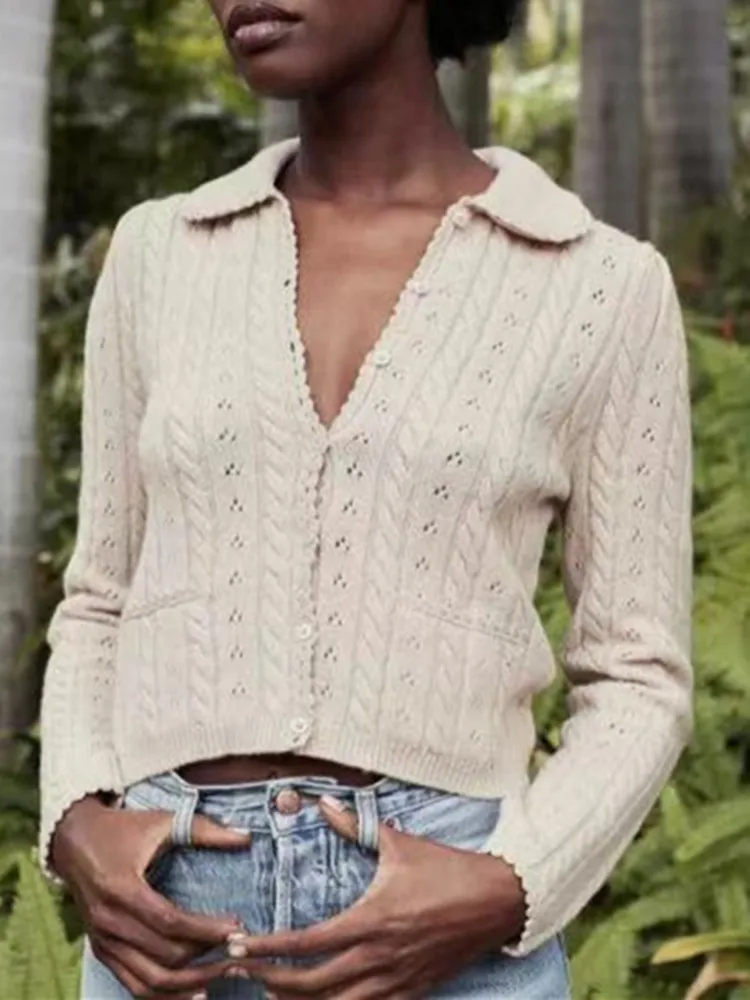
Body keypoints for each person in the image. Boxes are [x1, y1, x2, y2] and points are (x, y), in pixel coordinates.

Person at [39, 1, 695, 997]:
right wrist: (77, 818)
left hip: (451, 920)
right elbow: (100, 598)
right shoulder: (158, 255)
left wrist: (509, 884)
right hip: (167, 927)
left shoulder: (599, 285)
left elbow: (639, 673)